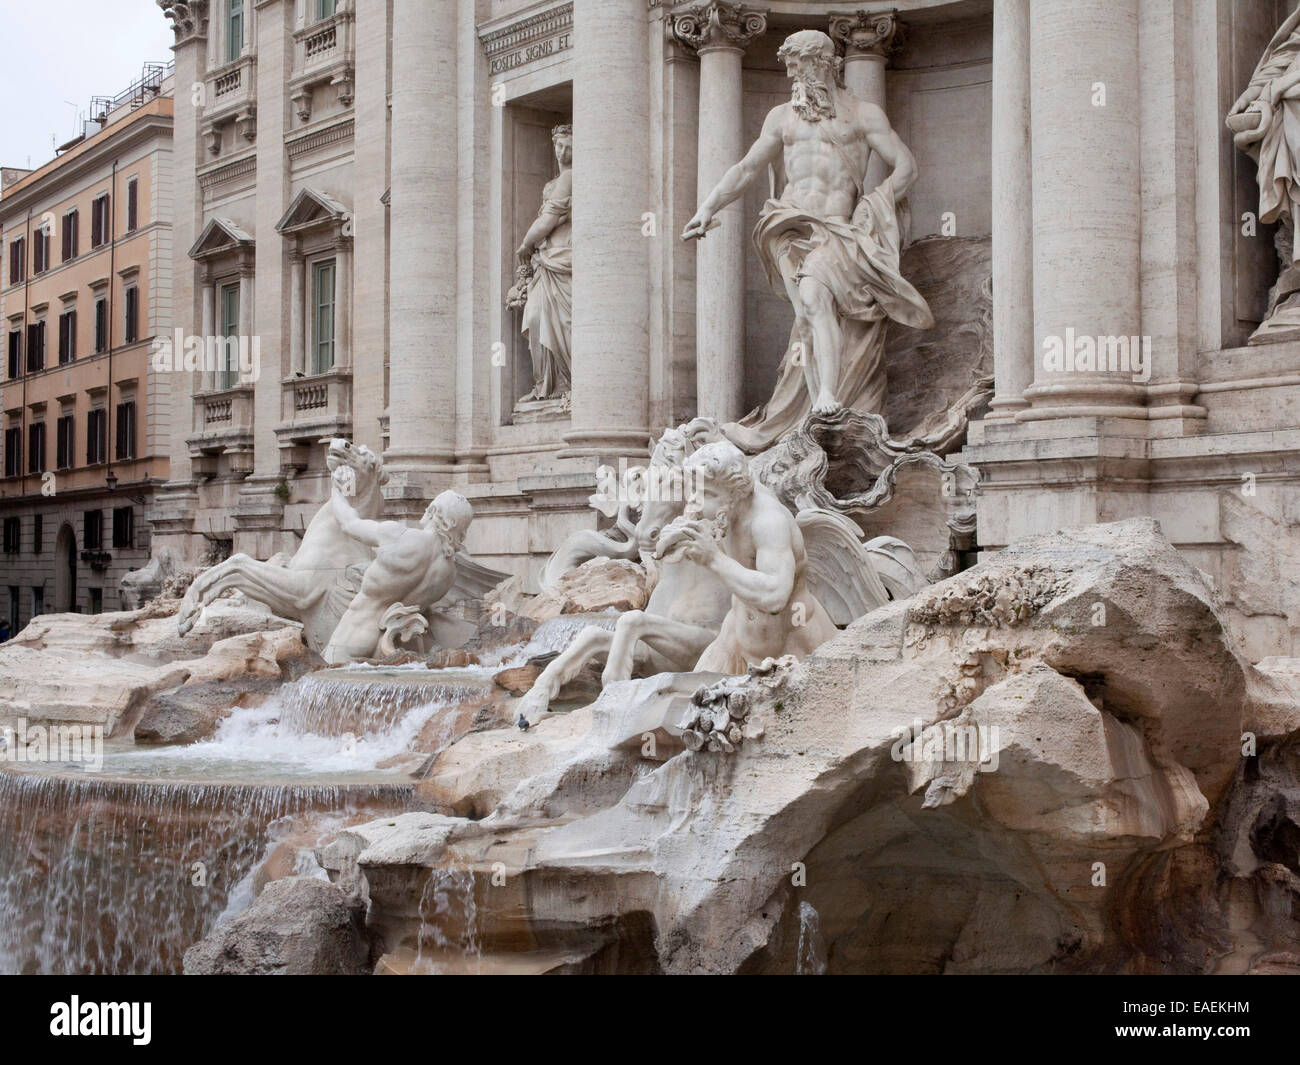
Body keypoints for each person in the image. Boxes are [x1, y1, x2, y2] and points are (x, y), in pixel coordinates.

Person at [683, 29, 932, 451]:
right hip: (787, 225)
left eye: (799, 65)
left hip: (836, 227)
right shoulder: (782, 117)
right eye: (789, 67)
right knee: (805, 318)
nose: (793, 75)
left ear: (824, 63)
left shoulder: (862, 114)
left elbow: (905, 166)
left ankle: (827, 396)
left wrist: (873, 206)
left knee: (815, 297)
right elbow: (746, 168)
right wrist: (708, 207)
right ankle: (815, 412)